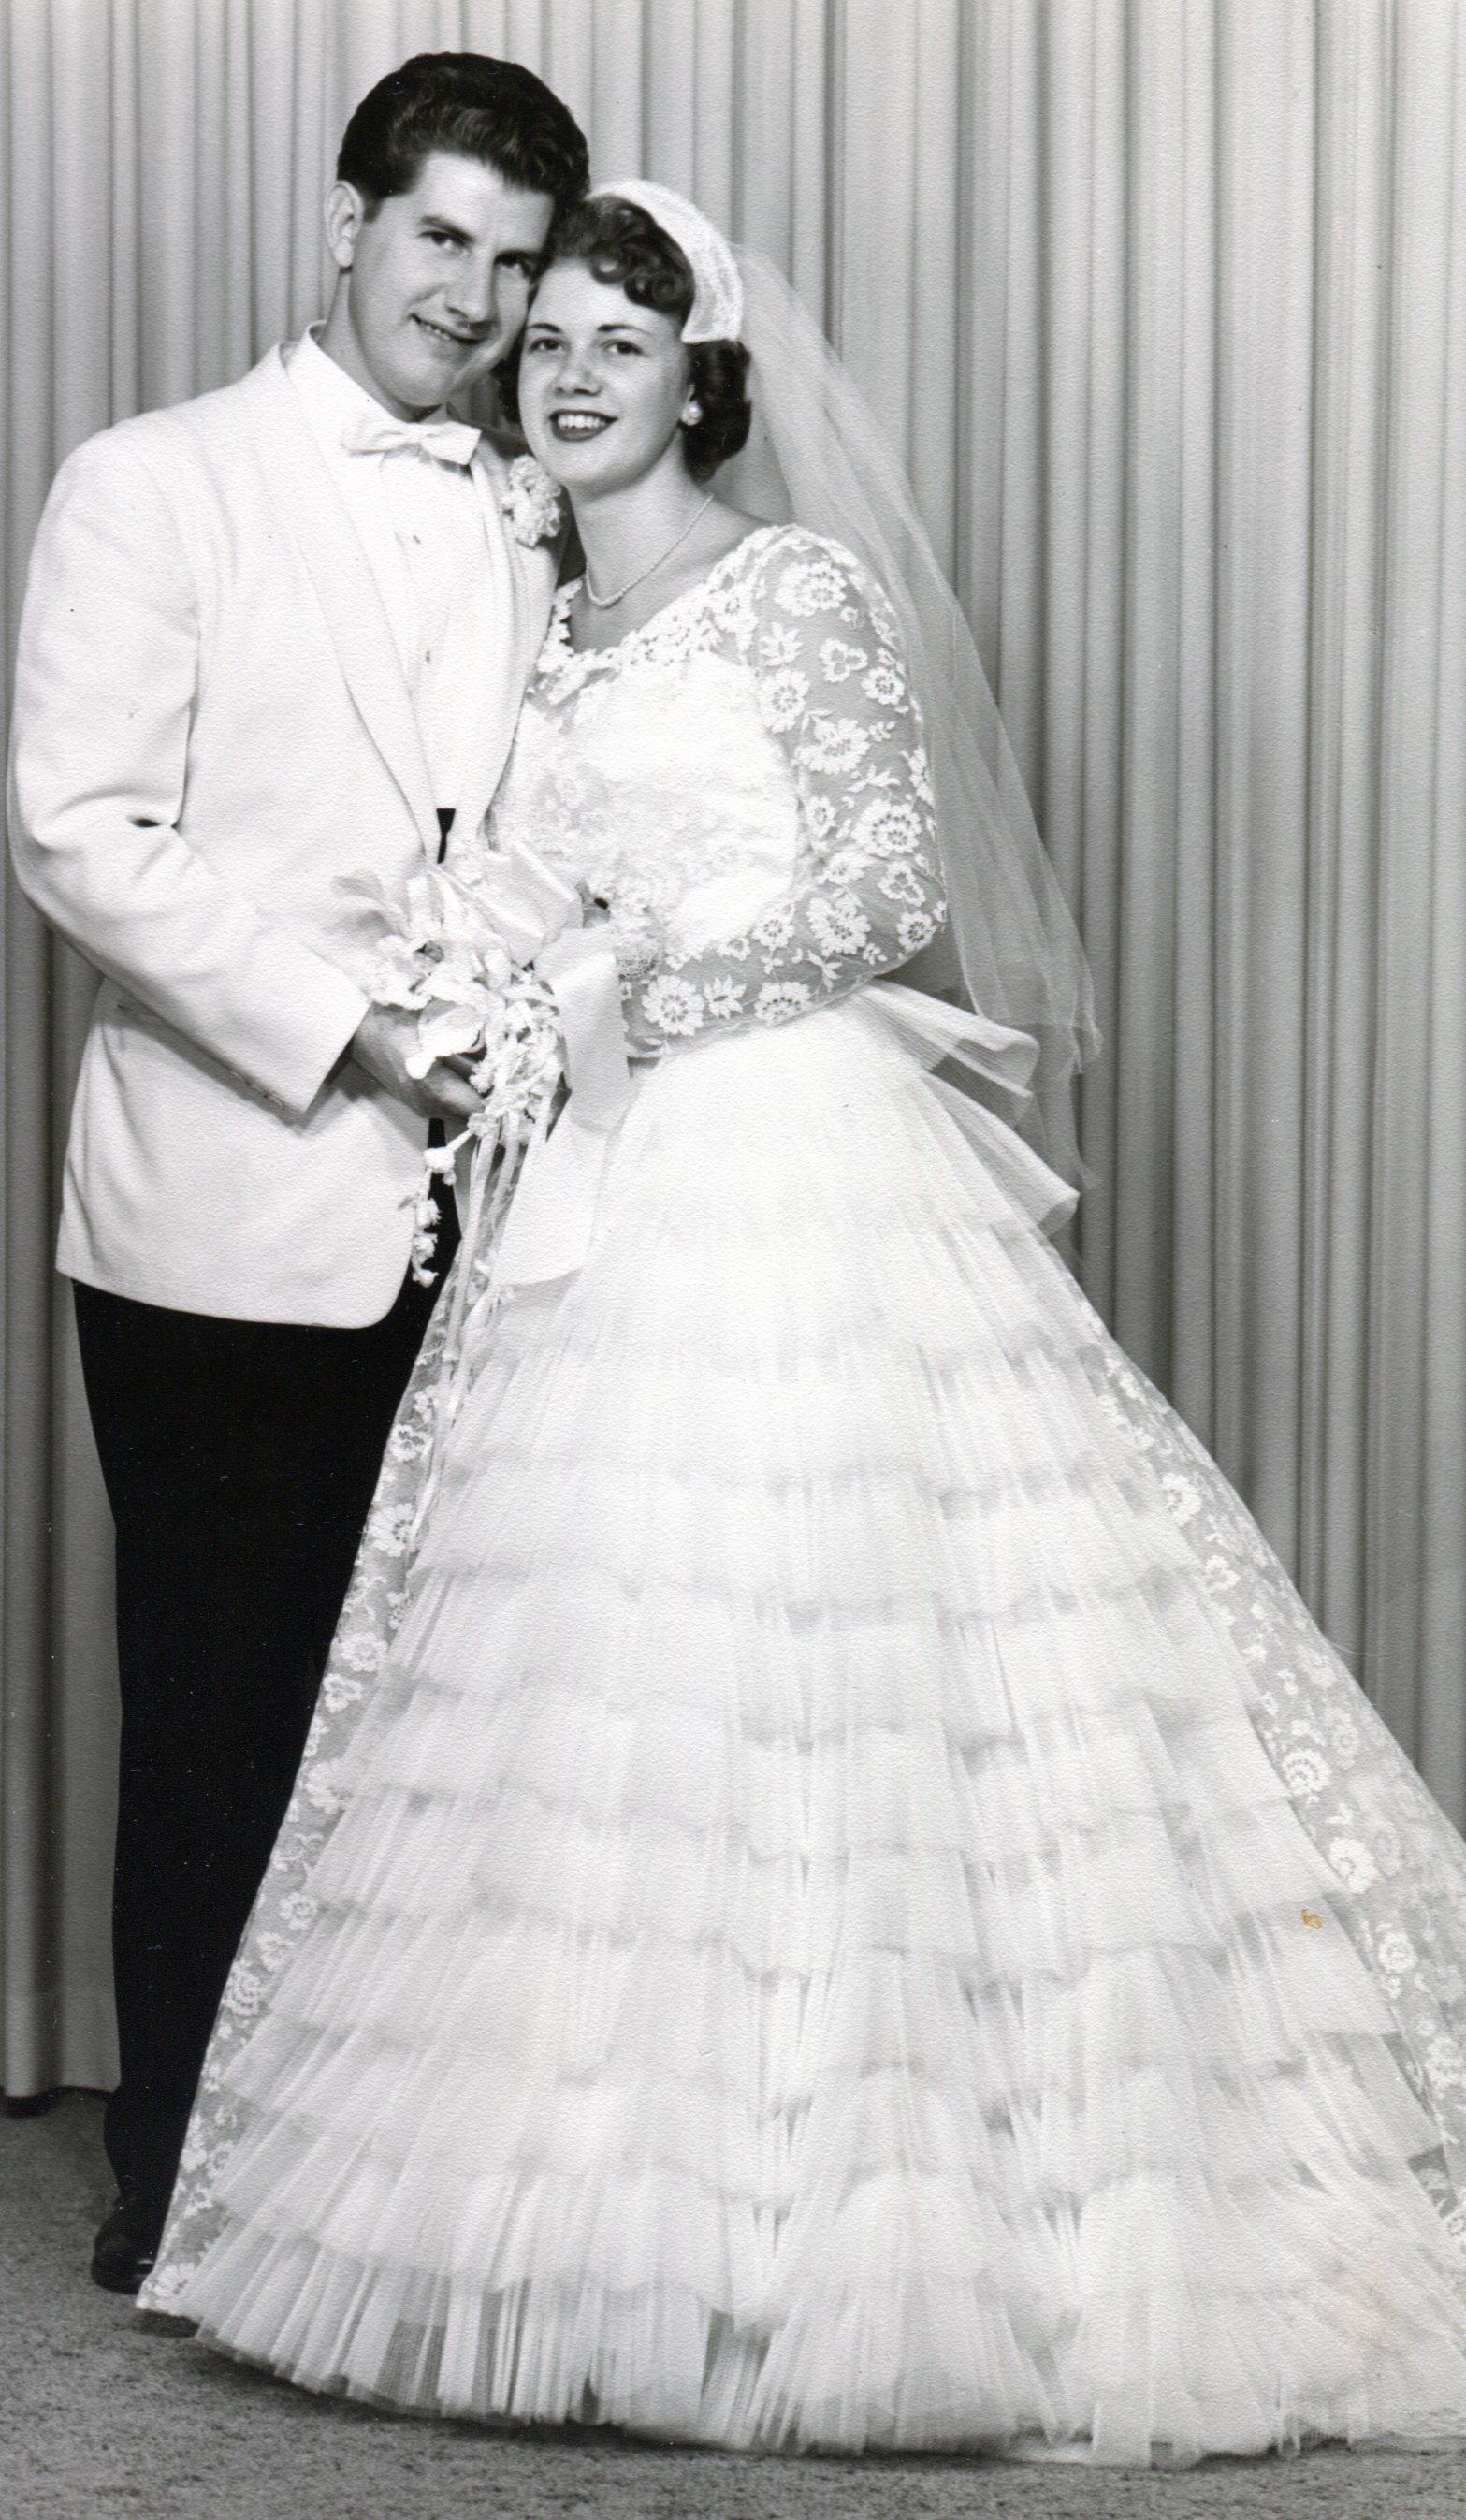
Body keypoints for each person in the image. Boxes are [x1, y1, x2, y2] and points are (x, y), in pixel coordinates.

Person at [139, 188, 1466, 2465]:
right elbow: (506, 875)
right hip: (593, 1189)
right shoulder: (546, 625)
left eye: (620, 337)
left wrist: (602, 996)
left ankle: (867, 2241)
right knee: (608, 1682)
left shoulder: (794, 588)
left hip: (781, 1161)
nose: (570, 370)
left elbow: (880, 891)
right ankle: (613, 2236)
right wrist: (516, 986)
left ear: (702, 373)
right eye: (543, 334)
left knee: (833, 1658)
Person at [6, 52, 588, 2295]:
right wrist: (355, 1038)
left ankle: (383, 2194)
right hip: (226, 1212)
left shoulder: (535, 497)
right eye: (441, 237)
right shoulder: (156, 485)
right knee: (225, 1712)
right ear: (342, 223)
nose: (474, 295)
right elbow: (81, 828)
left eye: (515, 261)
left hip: (489, 1222)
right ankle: (187, 2190)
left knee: (447, 1721)